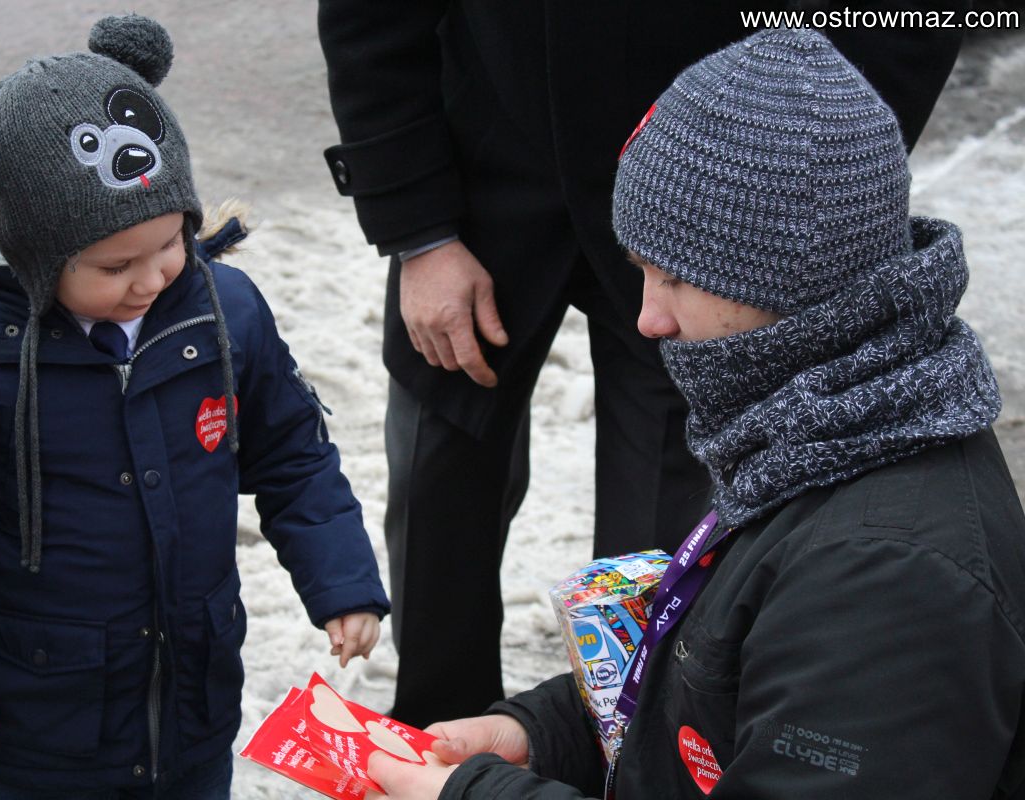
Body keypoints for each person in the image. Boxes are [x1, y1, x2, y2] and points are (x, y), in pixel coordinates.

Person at [358, 28, 1025, 799]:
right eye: (640, 272)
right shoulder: (818, 433)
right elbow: (723, 690)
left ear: (793, 278)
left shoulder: (888, 578)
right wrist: (547, 734)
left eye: (674, 279)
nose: (648, 319)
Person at [0, 15, 389, 798]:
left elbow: (294, 456)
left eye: (171, 243)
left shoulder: (223, 313)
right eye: (113, 266)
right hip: (39, 720)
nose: (152, 278)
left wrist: (342, 581)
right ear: (35, 253)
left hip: (194, 701)